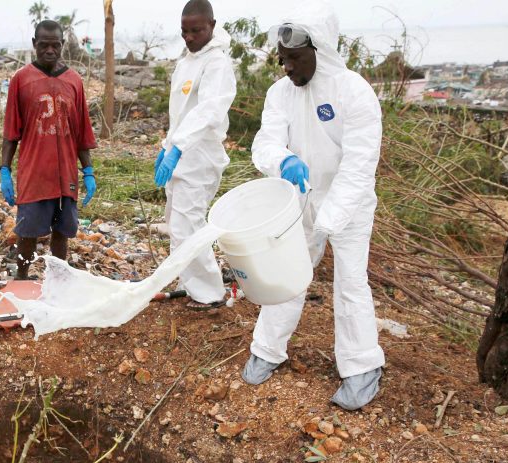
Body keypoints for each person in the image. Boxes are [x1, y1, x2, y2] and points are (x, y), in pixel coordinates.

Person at [242, 1, 385, 411]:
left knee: (351, 283)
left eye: (294, 59)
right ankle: (267, 350)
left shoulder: (353, 92)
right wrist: (281, 159)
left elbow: (359, 168)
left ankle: (361, 367)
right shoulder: (280, 93)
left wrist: (330, 218)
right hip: (299, 199)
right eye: (281, 59)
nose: (286, 67)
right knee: (287, 275)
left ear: (319, 50)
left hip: (350, 206)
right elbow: (264, 143)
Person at [0, 19, 98, 281]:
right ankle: (22, 276)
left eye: (55, 46)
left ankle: (58, 278)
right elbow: (11, 132)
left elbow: (81, 132)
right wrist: (4, 170)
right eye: (44, 45)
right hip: (34, 172)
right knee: (28, 230)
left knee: (62, 231)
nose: (50, 51)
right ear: (35, 44)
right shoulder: (21, 80)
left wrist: (88, 170)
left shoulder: (74, 81)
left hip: (66, 172)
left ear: (62, 45)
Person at [154, 0, 236, 310]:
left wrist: (179, 147)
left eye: (196, 30)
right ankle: (190, 281)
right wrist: (166, 148)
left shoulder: (217, 63)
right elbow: (181, 114)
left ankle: (210, 292)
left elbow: (210, 112)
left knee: (188, 224)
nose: (189, 37)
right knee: (175, 220)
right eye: (184, 31)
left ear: (212, 26)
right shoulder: (187, 60)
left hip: (200, 156)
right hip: (180, 153)